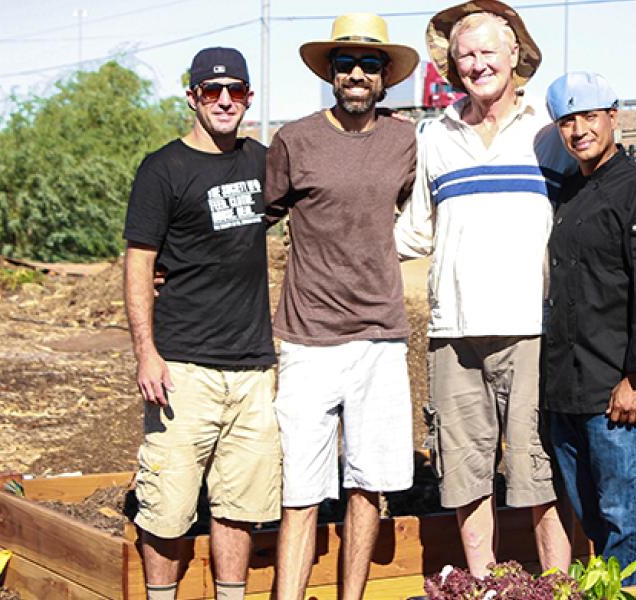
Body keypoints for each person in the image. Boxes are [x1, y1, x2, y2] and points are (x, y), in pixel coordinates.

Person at [395, 0, 576, 577]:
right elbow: (412, 232)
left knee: (537, 472)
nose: (475, 64)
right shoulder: (433, 137)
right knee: (465, 471)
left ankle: (558, 584)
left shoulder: (549, 139)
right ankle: (482, 585)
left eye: (486, 52)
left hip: (533, 329)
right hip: (455, 333)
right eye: (464, 55)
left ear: (514, 55)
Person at [264, 14, 419, 600]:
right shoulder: (294, 140)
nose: (357, 74)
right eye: (346, 64)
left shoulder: (404, 140)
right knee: (301, 490)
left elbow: (411, 209)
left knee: (368, 486)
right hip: (308, 339)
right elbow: (261, 214)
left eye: (370, 65)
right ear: (330, 74)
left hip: (379, 337)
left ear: (385, 78)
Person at [123, 47, 279, 600]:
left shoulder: (263, 162)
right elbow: (140, 260)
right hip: (182, 368)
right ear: (192, 97)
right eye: (211, 91)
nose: (223, 101)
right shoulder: (162, 168)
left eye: (235, 91)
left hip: (253, 368)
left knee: (239, 506)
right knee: (167, 506)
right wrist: (146, 352)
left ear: (248, 99)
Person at [542, 71, 636, 585]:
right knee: (599, 524)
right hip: (571, 392)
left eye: (589, 117)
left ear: (613, 117)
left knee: (625, 526)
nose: (579, 129)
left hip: (618, 395)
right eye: (567, 120)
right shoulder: (571, 195)